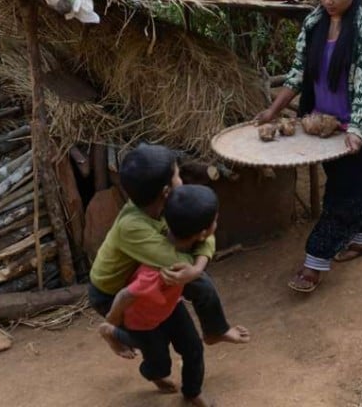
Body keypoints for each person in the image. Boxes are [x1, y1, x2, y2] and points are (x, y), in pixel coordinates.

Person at [258, 0, 362, 293]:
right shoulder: (315, 22)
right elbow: (298, 71)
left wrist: (358, 130)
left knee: (342, 196)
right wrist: (274, 110)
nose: (329, 1)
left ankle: (314, 262)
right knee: (352, 188)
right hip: (323, 125)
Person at [87, 145, 249, 391]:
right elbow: (181, 256)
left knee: (198, 281)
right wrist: (195, 265)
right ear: (165, 191)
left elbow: (204, 229)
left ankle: (216, 330)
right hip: (111, 293)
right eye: (177, 176)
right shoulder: (131, 226)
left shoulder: (160, 205)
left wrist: (197, 267)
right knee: (152, 340)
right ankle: (114, 333)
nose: (181, 180)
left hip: (144, 276)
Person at [98, 185, 222, 406]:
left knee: (193, 348)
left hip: (170, 307)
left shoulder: (187, 246)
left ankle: (192, 392)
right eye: (215, 221)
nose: (217, 223)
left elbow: (206, 245)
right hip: (142, 321)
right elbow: (127, 295)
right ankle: (114, 334)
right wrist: (113, 318)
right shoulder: (157, 270)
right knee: (158, 362)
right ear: (202, 233)